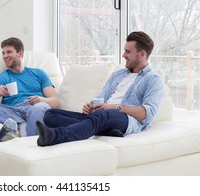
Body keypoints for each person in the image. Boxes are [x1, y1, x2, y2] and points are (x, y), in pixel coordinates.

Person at [36, 31, 165, 146]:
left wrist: (116, 107)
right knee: (50, 115)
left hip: (125, 119)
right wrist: (92, 105)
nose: (123, 55)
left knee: (103, 115)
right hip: (102, 116)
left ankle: (55, 136)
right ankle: (106, 131)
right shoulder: (118, 74)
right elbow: (101, 97)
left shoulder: (154, 79)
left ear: (142, 54)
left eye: (128, 52)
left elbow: (148, 114)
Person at [0, 37, 59, 136]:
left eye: (8, 52)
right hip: (13, 110)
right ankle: (20, 121)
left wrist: (41, 100)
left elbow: (55, 102)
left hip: (34, 107)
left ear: (20, 53)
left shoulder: (39, 73)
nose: (5, 56)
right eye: (3, 53)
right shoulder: (1, 78)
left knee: (39, 108)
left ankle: (29, 142)